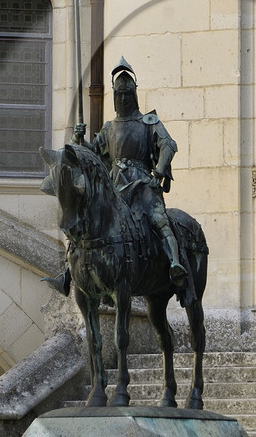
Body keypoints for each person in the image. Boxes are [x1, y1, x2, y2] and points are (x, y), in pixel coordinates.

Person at [73, 58, 186, 285]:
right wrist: (80, 140)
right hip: (114, 184)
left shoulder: (148, 122)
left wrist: (159, 172)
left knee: (158, 219)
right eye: (119, 94)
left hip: (141, 182)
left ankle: (175, 262)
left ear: (134, 93)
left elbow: (168, 144)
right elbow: (95, 154)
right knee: (88, 219)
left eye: (127, 94)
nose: (123, 98)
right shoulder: (109, 127)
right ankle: (70, 271)